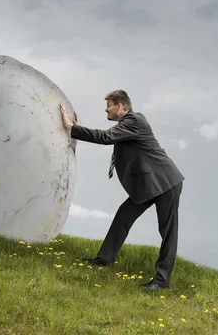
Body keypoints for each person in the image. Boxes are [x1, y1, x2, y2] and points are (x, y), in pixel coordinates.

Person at [59, 89, 185, 290]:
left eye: (108, 105)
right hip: (148, 184)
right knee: (123, 217)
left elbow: (105, 137)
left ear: (119, 106)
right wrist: (78, 128)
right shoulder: (128, 125)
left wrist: (73, 128)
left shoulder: (134, 121)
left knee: (167, 232)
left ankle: (161, 281)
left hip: (165, 183)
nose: (105, 109)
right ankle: (105, 259)